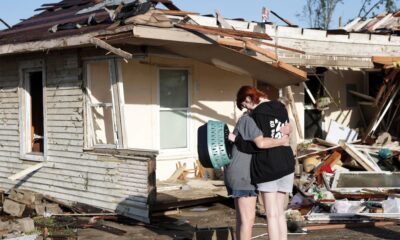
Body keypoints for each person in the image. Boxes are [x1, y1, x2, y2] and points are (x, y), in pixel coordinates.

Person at [233, 86, 296, 240]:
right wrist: (284, 137)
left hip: (268, 165)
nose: (246, 108)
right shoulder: (281, 107)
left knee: (272, 215)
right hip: (287, 164)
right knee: (280, 212)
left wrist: (236, 140)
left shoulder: (256, 115)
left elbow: (259, 144)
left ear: (248, 98)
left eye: (244, 104)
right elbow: (288, 129)